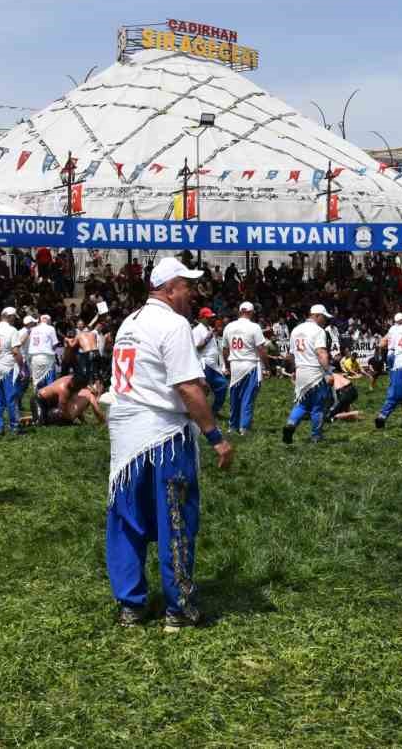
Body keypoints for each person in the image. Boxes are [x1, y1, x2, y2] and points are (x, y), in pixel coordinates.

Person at [105, 256, 233, 630]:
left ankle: (131, 604)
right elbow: (188, 388)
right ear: (169, 288)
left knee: (127, 522)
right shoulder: (174, 324)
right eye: (187, 286)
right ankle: (179, 608)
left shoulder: (129, 322)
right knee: (174, 519)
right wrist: (216, 438)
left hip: (126, 434)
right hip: (163, 434)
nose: (192, 293)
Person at [283, 305, 335, 444]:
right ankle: (316, 436)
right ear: (317, 315)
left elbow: (291, 355)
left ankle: (291, 423)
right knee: (318, 406)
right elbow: (321, 353)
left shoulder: (296, 330)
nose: (325, 321)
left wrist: (294, 370)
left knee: (302, 403)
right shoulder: (318, 331)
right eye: (324, 318)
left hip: (301, 371)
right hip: (316, 373)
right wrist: (328, 372)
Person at [221, 302, 269, 436]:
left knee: (235, 397)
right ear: (251, 312)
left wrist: (227, 365)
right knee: (248, 397)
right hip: (250, 364)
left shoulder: (229, 327)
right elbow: (261, 349)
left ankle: (232, 426)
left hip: (235, 363)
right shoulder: (254, 327)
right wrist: (266, 366)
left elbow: (225, 349)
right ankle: (244, 427)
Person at [0, 307, 23, 437]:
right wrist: (22, 368)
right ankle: (15, 427)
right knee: (11, 398)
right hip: (8, 367)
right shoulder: (12, 331)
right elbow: (16, 352)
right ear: (10, 316)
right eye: (14, 317)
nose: (15, 320)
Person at [192, 308, 229, 418]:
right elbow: (196, 348)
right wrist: (208, 337)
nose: (211, 319)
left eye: (211, 317)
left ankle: (211, 412)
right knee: (207, 389)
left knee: (219, 386)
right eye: (208, 317)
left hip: (213, 364)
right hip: (204, 363)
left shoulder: (208, 328)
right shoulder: (197, 330)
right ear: (202, 317)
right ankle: (202, 414)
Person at [33, 372, 107, 426]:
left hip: (50, 404)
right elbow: (63, 411)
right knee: (40, 423)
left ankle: (40, 418)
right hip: (39, 400)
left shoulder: (76, 385)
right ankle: (37, 419)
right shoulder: (65, 389)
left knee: (44, 418)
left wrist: (82, 421)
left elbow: (77, 409)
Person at [25, 312, 61, 395]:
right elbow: (55, 343)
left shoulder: (33, 329)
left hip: (34, 357)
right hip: (46, 357)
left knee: (37, 381)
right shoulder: (50, 328)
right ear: (48, 320)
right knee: (50, 381)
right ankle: (49, 401)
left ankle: (37, 400)